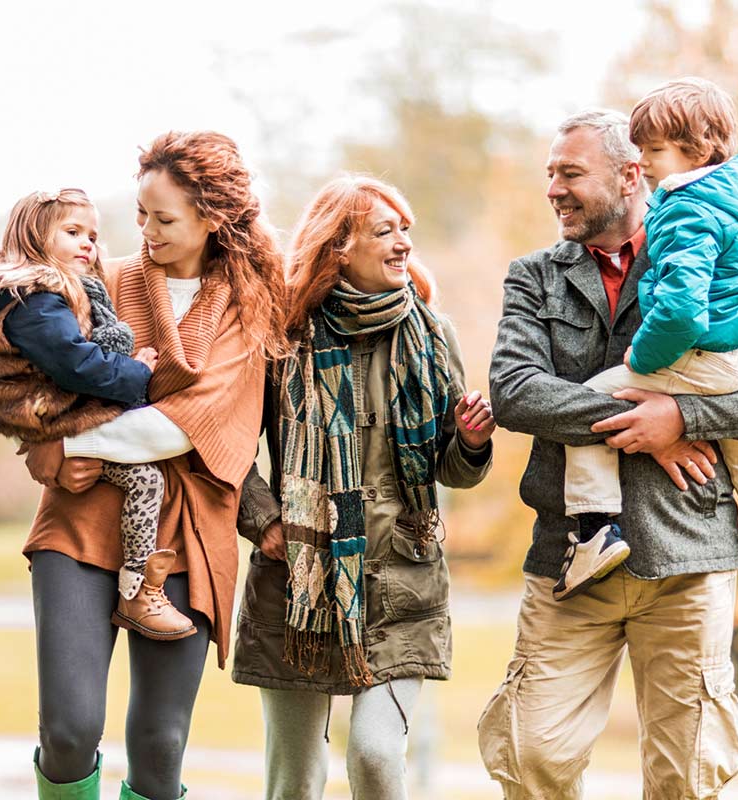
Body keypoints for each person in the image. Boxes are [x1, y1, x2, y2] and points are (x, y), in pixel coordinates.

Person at [478, 109, 738, 799]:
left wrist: (684, 414)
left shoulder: (707, 245)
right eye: (550, 174)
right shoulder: (534, 277)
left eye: (570, 174)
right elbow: (514, 394)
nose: (553, 190)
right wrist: (647, 423)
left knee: (686, 775)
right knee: (531, 752)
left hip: (689, 561)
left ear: (632, 175)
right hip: (571, 560)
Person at [0, 131, 286, 800]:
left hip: (187, 533)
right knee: (71, 728)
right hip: (80, 517)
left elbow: (182, 426)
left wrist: (64, 446)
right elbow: (27, 361)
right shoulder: (101, 280)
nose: (145, 231)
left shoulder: (249, 312)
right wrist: (34, 436)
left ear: (211, 219)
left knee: (160, 747)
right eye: (140, 215)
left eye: (162, 219)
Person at [232, 175, 495, 799]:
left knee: (376, 757)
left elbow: (450, 469)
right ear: (338, 248)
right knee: (293, 780)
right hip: (297, 582)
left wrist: (472, 441)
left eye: (406, 229)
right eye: (386, 230)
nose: (404, 242)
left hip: (402, 583)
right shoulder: (280, 339)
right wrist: (265, 520)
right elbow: (229, 444)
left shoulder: (433, 337)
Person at [554, 78, 738, 647]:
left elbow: (680, 309)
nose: (646, 165)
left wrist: (643, 355)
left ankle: (594, 529)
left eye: (653, 151)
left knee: (593, 400)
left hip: (700, 354)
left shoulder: (685, 209)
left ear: (696, 149)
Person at [0, 188, 196, 640]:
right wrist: (136, 375)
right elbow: (76, 363)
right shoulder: (36, 299)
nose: (88, 245)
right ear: (36, 239)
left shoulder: (40, 294)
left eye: (93, 237)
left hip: (43, 405)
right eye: (73, 232)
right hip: (46, 407)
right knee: (146, 478)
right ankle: (138, 587)